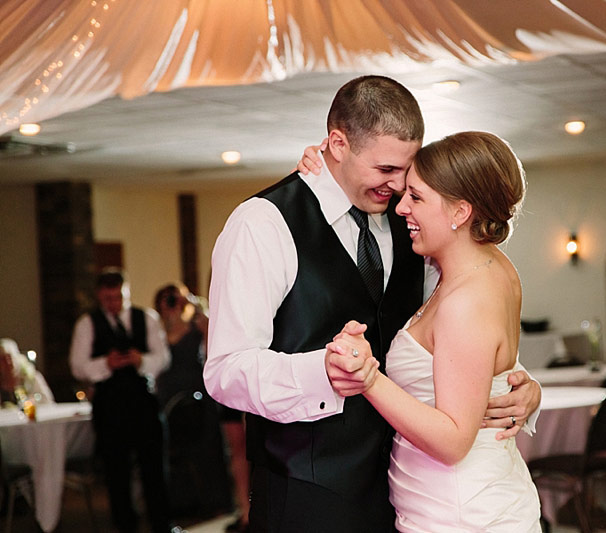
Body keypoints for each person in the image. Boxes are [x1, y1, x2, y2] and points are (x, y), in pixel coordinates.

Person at [204, 75, 541, 533]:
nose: (399, 185)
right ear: (337, 145)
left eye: (407, 170)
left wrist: (516, 385)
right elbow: (224, 372)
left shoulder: (416, 221)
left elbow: (463, 324)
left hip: (409, 492)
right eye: (386, 170)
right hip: (309, 494)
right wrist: (322, 373)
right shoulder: (262, 224)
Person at [326, 131, 541, 531]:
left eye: (417, 197)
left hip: (462, 513)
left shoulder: (466, 299)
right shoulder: (488, 268)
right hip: (459, 501)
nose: (402, 206)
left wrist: (368, 376)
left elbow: (453, 441)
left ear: (460, 212)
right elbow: (482, 367)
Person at [69, 268, 177, 533]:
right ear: (99, 296)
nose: (113, 304)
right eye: (107, 298)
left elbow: (163, 357)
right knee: (116, 472)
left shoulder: (146, 318)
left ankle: (162, 525)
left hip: (144, 402)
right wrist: (106, 364)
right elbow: (77, 365)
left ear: (126, 292)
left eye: (118, 297)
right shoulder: (88, 324)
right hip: (110, 406)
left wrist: (141, 361)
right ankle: (125, 526)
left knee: (154, 467)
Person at [153, 283, 231, 519]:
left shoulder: (198, 325)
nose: (173, 304)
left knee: (208, 449)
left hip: (199, 394)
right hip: (170, 397)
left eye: (176, 300)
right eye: (168, 301)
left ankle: (217, 503)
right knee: (176, 452)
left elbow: (213, 347)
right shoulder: (156, 332)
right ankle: (184, 504)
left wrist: (193, 306)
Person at [0, 337, 54, 407]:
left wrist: (33, 401)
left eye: (10, 357)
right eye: (2, 359)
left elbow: (48, 402)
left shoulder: (32, 377)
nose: (8, 363)